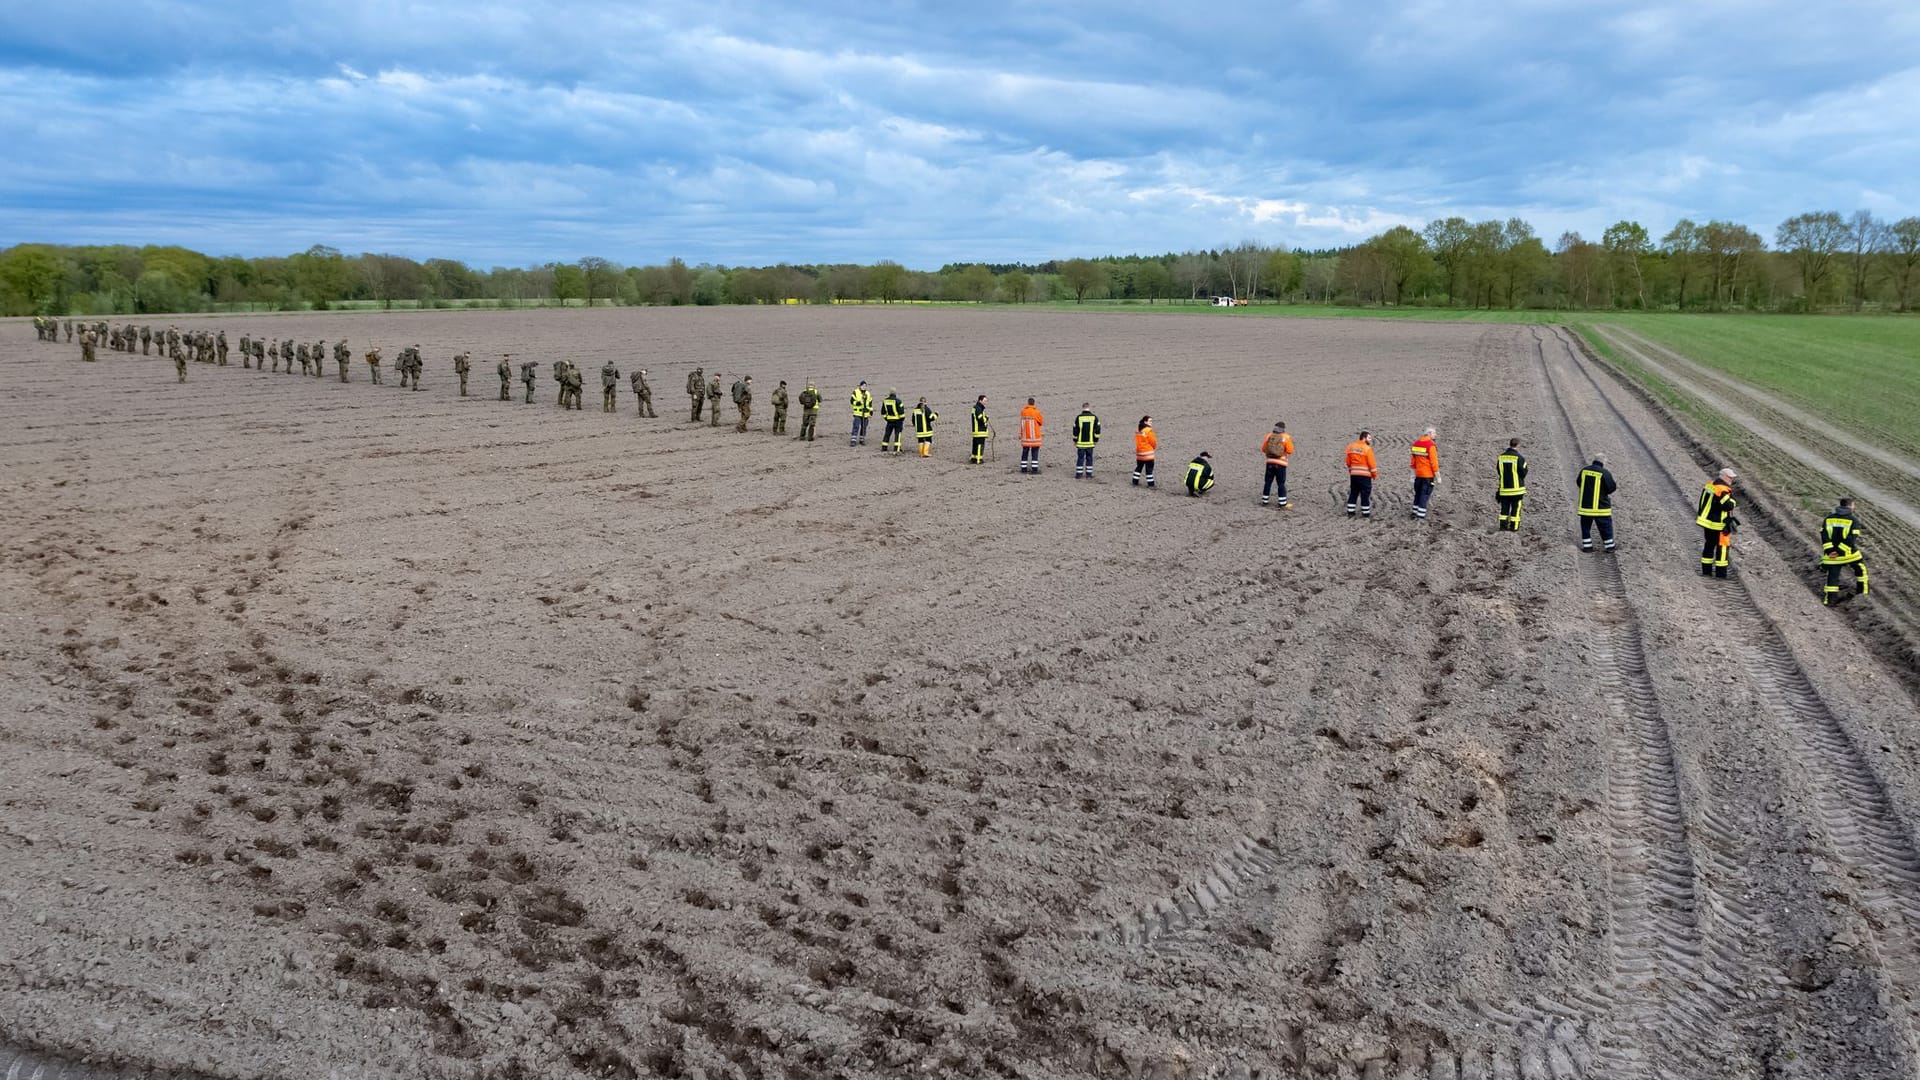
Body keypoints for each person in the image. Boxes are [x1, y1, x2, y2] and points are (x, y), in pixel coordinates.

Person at [1820, 497, 1869, 605]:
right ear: (1849, 506)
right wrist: (1840, 551)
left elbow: (1824, 536)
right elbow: (1851, 539)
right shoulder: (1853, 521)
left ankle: (1830, 600)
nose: (1854, 507)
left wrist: (1830, 551)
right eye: (1853, 505)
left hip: (1832, 556)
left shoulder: (1828, 519)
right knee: (1861, 570)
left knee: (1832, 576)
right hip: (1848, 554)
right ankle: (1863, 594)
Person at [1696, 468, 1738, 578]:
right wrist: (1733, 501)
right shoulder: (1722, 489)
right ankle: (1721, 573)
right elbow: (1728, 505)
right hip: (1718, 524)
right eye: (1730, 477)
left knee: (1709, 545)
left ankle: (1706, 571)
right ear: (1723, 476)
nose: (1731, 480)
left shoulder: (1710, 484)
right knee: (1723, 547)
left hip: (1707, 522)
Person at [1578, 458, 1616, 552]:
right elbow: (1611, 487)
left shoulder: (1584, 470)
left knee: (1585, 527)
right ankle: (1609, 547)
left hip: (1586, 506)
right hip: (1601, 507)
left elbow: (1579, 482)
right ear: (1603, 462)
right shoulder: (1604, 472)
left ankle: (1587, 547)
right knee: (1605, 527)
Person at [1344, 431, 1378, 518]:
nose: (1370, 440)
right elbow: (1372, 463)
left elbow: (1348, 462)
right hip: (1364, 476)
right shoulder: (1367, 449)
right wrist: (1374, 474)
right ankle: (1365, 513)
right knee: (1365, 494)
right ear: (1364, 437)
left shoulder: (1351, 447)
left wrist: (1351, 470)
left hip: (1354, 475)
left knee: (1353, 492)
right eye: (1369, 438)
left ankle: (1350, 511)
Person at [1496, 438, 1528, 531]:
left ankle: (1503, 527)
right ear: (1518, 445)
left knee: (1504, 509)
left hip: (1504, 489)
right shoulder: (1520, 458)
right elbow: (1524, 472)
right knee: (1516, 510)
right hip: (1517, 490)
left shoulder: (1501, 457)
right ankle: (1514, 527)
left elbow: (1498, 470)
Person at [1410, 427, 1440, 520]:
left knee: (1418, 493)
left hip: (1418, 474)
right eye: (1434, 433)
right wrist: (1438, 476)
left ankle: (1414, 512)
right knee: (1425, 494)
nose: (1436, 435)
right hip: (1427, 475)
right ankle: (1421, 515)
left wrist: (1412, 474)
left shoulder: (1416, 444)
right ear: (1429, 434)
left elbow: (1413, 461)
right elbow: (1434, 462)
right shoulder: (1430, 445)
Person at [1260, 422, 1293, 507]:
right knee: (1281, 483)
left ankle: (1265, 500)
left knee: (1268, 482)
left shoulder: (1269, 436)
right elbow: (1290, 450)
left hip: (1270, 462)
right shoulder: (1286, 437)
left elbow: (1263, 449)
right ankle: (1282, 503)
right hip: (1281, 463)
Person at [1073, 404, 1101, 478]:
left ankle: (1079, 475)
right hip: (1090, 443)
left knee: (1080, 458)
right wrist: (1096, 440)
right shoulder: (1094, 417)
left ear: (1082, 408)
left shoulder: (1079, 417)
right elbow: (1098, 430)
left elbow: (1075, 430)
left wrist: (1075, 440)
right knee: (1089, 458)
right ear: (1089, 408)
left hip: (1080, 443)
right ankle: (1089, 475)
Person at [1018, 398, 1044, 474]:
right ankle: (1034, 469)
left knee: (1025, 452)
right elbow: (1041, 422)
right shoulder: (1036, 412)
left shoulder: (1023, 411)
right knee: (1035, 452)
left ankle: (1023, 468)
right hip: (1034, 437)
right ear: (1034, 403)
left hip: (1025, 436)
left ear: (1028, 403)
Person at [879, 389, 906, 454]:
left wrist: (886, 418)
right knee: (897, 434)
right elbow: (901, 412)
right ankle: (897, 448)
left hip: (889, 421)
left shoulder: (885, 401)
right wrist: (902, 419)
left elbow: (883, 412)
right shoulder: (898, 401)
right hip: (897, 421)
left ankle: (884, 447)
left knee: (887, 434)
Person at [1133, 416, 1157, 487]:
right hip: (1148, 453)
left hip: (1139, 453)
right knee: (1149, 470)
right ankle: (1151, 484)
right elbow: (1153, 441)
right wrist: (1154, 447)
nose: (1151, 422)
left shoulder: (1138, 430)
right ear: (1145, 422)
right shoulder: (1148, 430)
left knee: (1139, 467)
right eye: (1150, 421)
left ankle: (1135, 481)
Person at [848, 381, 873, 446]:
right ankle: (853, 440)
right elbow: (851, 401)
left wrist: (871, 411)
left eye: (865, 386)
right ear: (860, 386)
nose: (864, 387)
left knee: (864, 427)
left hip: (866, 414)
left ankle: (862, 439)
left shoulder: (868, 393)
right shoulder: (855, 392)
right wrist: (857, 403)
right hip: (857, 413)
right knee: (856, 426)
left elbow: (870, 404)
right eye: (863, 386)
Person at [969, 395, 991, 464]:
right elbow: (980, 419)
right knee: (980, 445)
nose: (985, 402)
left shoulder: (976, 408)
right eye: (984, 401)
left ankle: (973, 458)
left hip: (976, 431)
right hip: (979, 431)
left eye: (986, 401)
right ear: (980, 400)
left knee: (975, 445)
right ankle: (979, 459)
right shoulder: (978, 408)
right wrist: (986, 418)